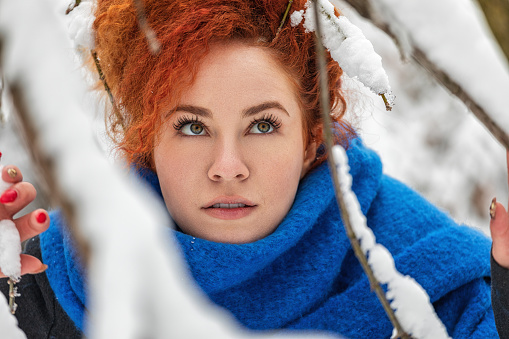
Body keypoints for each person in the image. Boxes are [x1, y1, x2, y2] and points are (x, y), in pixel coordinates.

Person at [1, 0, 508, 337]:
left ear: (313, 137)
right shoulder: (51, 283)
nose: (227, 168)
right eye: (192, 127)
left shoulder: (438, 282)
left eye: (262, 126)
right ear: (145, 138)